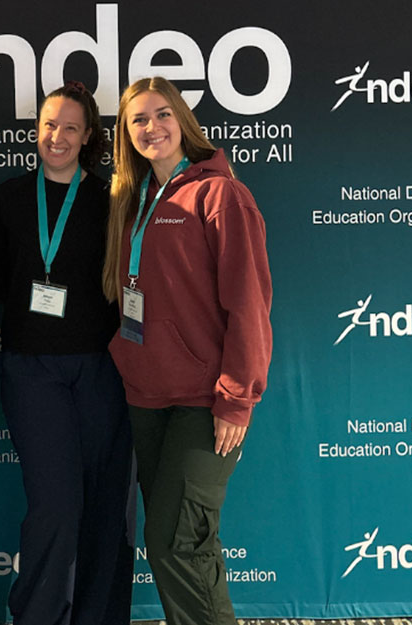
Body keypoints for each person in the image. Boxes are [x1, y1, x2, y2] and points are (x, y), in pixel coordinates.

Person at [103, 76, 273, 625]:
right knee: (187, 544)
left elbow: (248, 302)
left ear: (182, 120)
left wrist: (236, 398)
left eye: (161, 115)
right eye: (138, 120)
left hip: (204, 400)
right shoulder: (134, 200)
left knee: (176, 543)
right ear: (125, 134)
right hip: (146, 397)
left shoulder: (220, 194)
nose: (151, 128)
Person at [0, 82, 133, 625]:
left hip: (102, 369)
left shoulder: (112, 199)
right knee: (53, 505)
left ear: (89, 135)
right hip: (31, 369)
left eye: (71, 127)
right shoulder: (6, 198)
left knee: (105, 503)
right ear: (36, 129)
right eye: (49, 124)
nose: (58, 136)